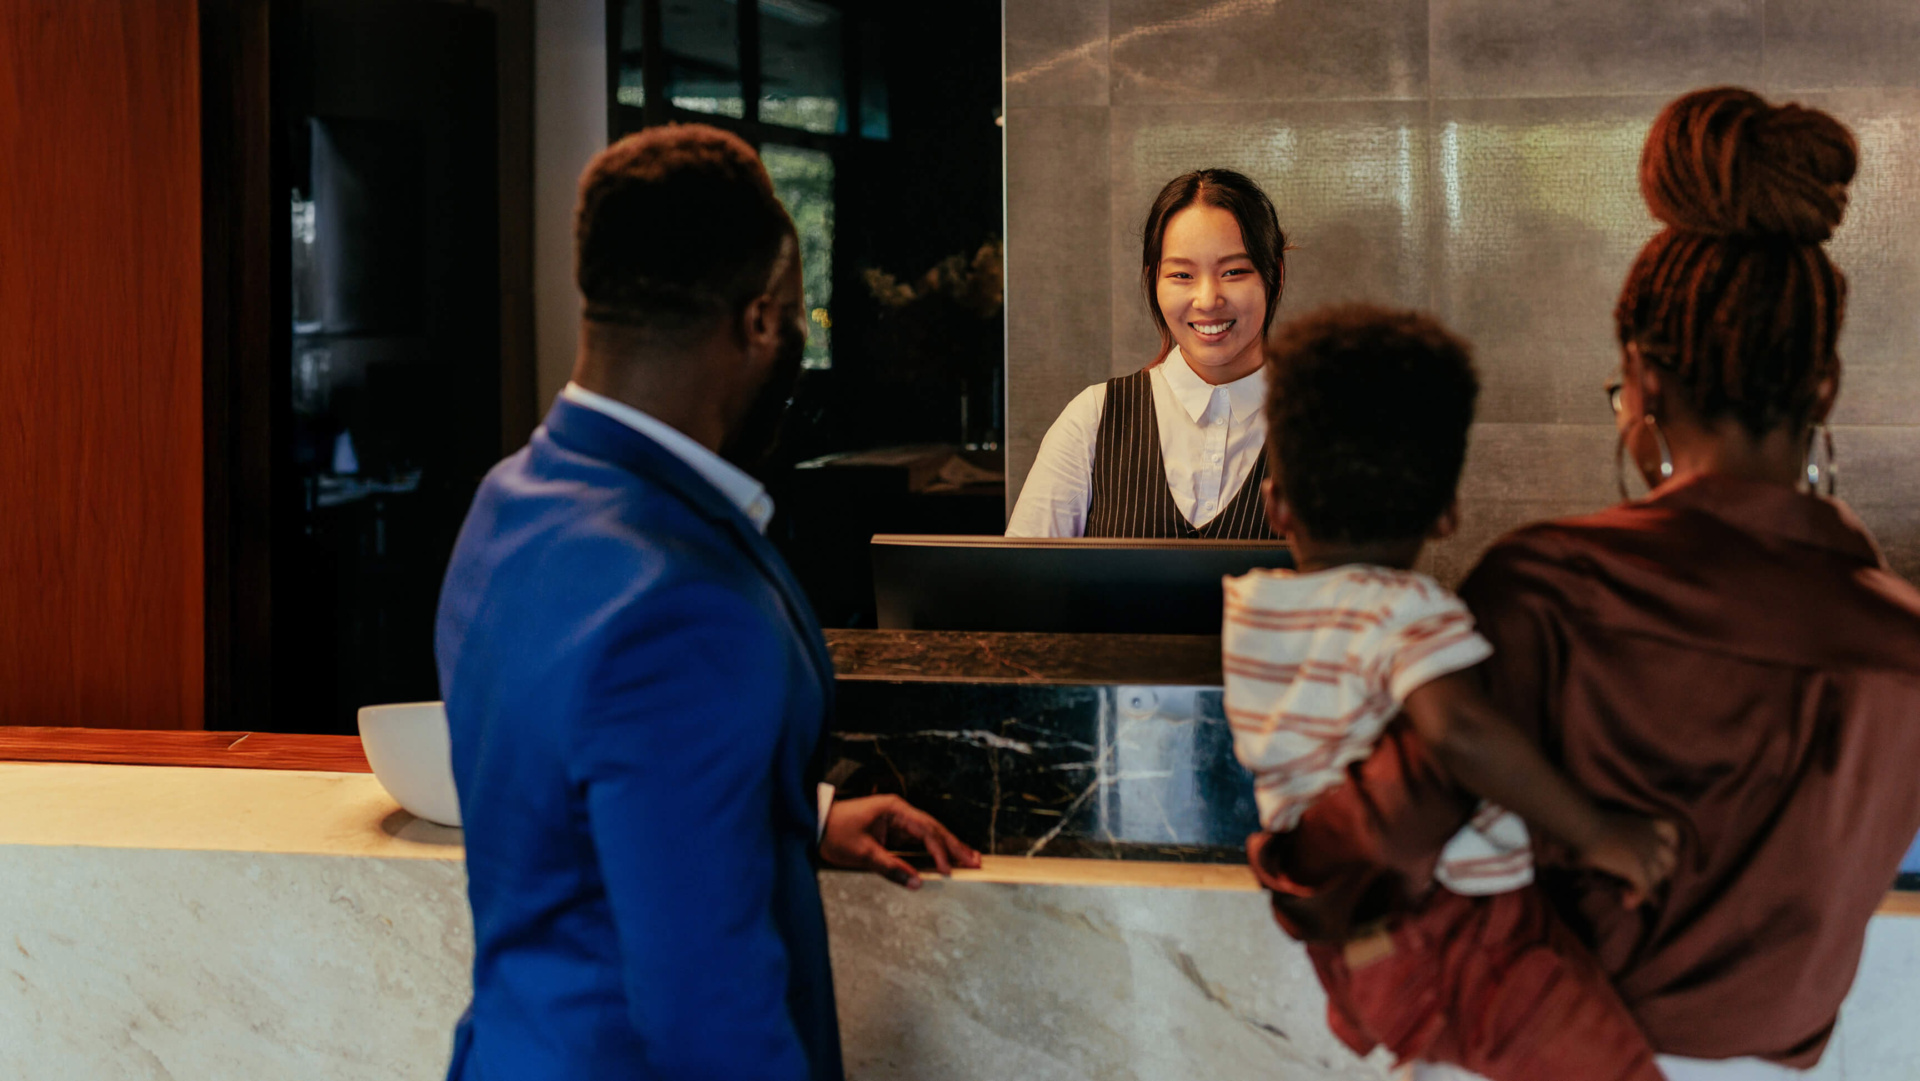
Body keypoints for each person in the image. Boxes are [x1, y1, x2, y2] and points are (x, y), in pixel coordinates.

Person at [1272, 88, 1920, 1080]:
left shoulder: (1549, 587)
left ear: (1642, 379)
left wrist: (1299, 866)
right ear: (1824, 385)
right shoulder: (1903, 645)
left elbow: (1391, 825)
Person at [433, 124, 980, 1081]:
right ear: (764, 318)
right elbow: (706, 1016)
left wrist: (789, 818)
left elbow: (587, 780)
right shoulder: (681, 598)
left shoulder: (511, 500)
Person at [1228, 303, 1677, 1081]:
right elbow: (1459, 731)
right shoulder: (1410, 613)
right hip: (1459, 934)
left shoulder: (1253, 611)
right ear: (1447, 512)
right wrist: (1601, 833)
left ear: (1276, 503)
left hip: (1350, 949)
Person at [1006, 168, 1286, 538]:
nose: (1207, 300)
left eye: (1233, 272)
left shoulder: (1327, 425)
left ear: (1274, 275)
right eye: (1181, 275)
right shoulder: (1093, 419)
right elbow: (1027, 585)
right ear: (1153, 280)